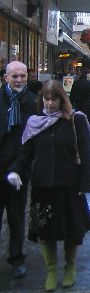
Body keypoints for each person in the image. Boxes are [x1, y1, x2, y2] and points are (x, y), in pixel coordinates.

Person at [7, 80, 90, 290]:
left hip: (69, 185)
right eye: (46, 99)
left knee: (71, 229)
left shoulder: (76, 121)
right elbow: (27, 153)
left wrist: (86, 182)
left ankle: (70, 267)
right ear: (41, 100)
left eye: (54, 99)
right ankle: (52, 270)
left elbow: (85, 154)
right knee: (46, 230)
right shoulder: (35, 123)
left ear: (62, 100)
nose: (50, 103)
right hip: (43, 186)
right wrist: (16, 171)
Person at [0, 61, 38, 278]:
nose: (19, 80)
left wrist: (20, 168)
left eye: (22, 76)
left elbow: (31, 142)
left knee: (16, 218)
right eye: (14, 76)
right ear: (6, 78)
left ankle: (17, 259)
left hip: (19, 172)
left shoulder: (32, 103)